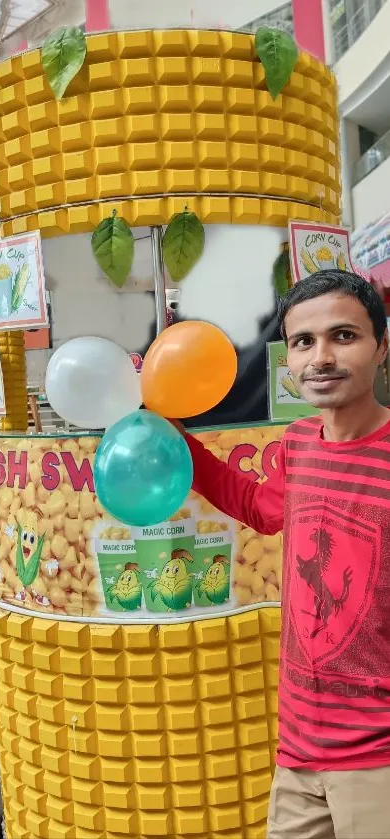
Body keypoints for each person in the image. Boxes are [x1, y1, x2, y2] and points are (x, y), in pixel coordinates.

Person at [182, 271, 390, 839]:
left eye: (343, 336)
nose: (320, 357)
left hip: (379, 760)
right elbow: (258, 505)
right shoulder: (297, 443)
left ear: (382, 346)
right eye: (303, 342)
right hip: (298, 747)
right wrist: (177, 444)